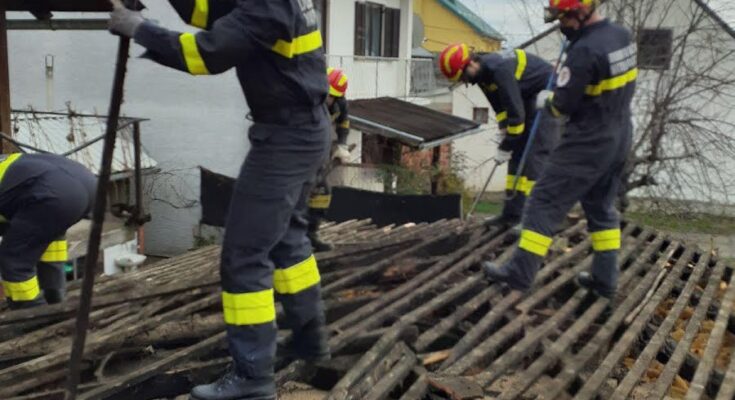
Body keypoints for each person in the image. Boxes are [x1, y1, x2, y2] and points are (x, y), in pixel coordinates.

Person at [109, 1, 330, 399]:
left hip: (285, 139)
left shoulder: (265, 3)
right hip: (305, 131)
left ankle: (253, 377)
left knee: (243, 257)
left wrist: (140, 29)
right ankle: (309, 341)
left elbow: (205, 54)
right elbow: (209, 11)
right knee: (289, 241)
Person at [483, 0, 636, 299]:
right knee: (601, 208)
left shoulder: (584, 51)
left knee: (542, 202)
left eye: (562, 18)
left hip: (587, 142)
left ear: (579, 12)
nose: (560, 25)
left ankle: (519, 274)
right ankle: (605, 280)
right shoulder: (621, 36)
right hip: (619, 135)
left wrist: (547, 100)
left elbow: (562, 105)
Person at [438, 44, 557, 229]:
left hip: (546, 93)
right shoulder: (482, 76)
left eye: (464, 77)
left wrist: (506, 146)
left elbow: (516, 120)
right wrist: (503, 133)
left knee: (534, 157)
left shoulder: (499, 70)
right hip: (526, 96)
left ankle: (534, 218)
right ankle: (512, 215)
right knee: (516, 156)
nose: (466, 82)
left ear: (470, 64)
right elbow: (501, 110)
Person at [0, 153, 96, 309]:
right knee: (47, 238)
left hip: (52, 193)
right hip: (87, 183)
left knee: (14, 259)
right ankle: (55, 301)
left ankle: (33, 315)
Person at [306, 67, 351, 252]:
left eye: (331, 96)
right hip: (300, 149)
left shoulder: (340, 105)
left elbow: (344, 123)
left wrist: (342, 145)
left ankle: (311, 234)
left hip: (320, 149)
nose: (327, 98)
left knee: (322, 192)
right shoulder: (308, 101)